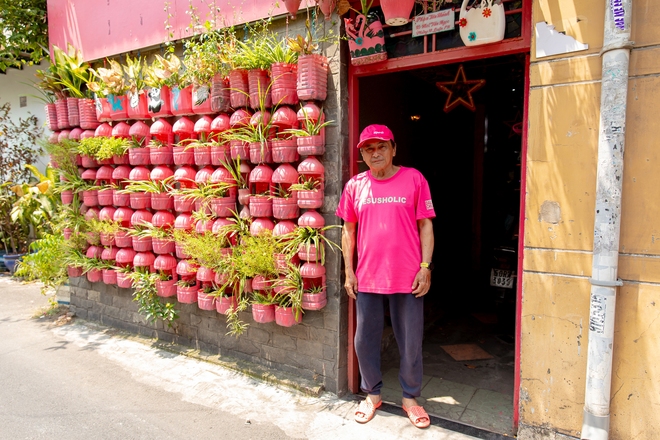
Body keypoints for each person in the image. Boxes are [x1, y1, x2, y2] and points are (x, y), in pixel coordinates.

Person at [336, 124, 435, 429]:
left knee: (410, 340)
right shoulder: (355, 186)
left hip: (407, 276)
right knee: (364, 338)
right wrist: (348, 271)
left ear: (394, 148)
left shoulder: (414, 179)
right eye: (368, 149)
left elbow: (426, 226)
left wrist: (425, 267)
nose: (375, 153)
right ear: (362, 154)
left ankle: (410, 397)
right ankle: (372, 394)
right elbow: (348, 231)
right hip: (367, 276)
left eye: (381, 147)